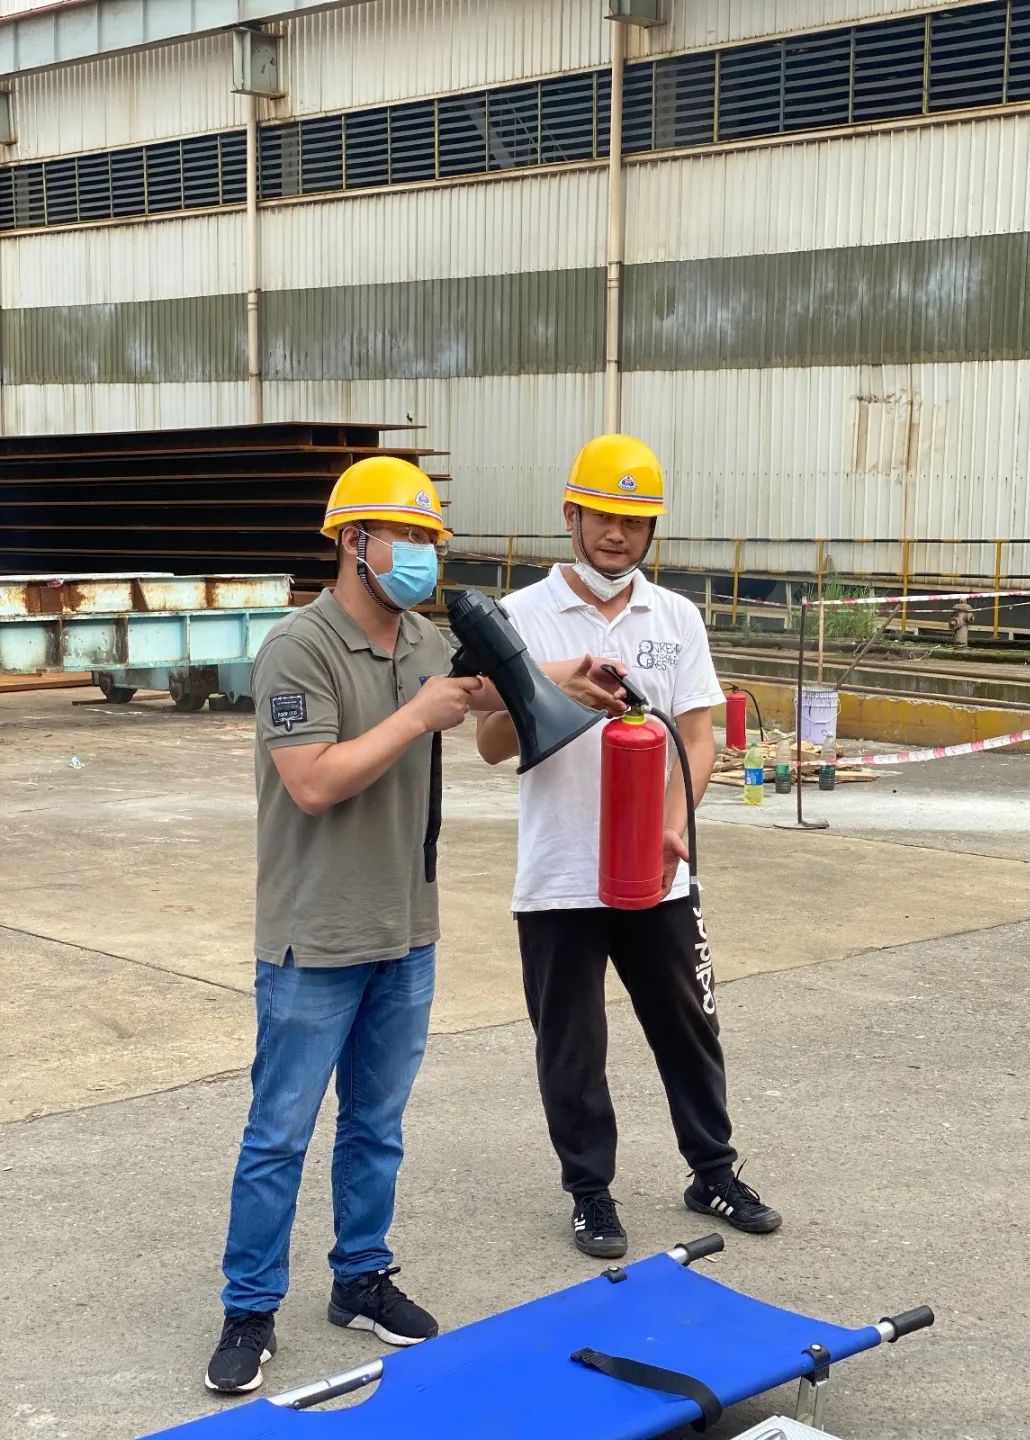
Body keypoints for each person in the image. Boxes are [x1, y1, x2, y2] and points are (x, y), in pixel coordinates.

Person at [205, 457, 617, 1395]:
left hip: (405, 933)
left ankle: (361, 1277)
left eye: (432, 539)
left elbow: (477, 692)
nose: (426, 555)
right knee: (279, 1135)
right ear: (354, 542)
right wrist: (419, 714)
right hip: (315, 940)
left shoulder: (422, 640)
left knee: (377, 1126)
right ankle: (250, 1308)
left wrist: (565, 673)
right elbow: (312, 782)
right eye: (409, 537)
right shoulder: (298, 649)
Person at [476, 434, 782, 1260]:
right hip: (561, 872)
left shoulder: (675, 617)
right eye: (602, 516)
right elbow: (491, 743)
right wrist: (551, 692)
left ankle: (712, 1172)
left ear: (652, 530)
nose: (617, 534)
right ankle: (591, 1193)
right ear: (570, 515)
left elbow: (698, 735)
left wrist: (674, 822)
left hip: (657, 872)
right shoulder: (522, 616)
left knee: (689, 1026)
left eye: (635, 521)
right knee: (572, 1044)